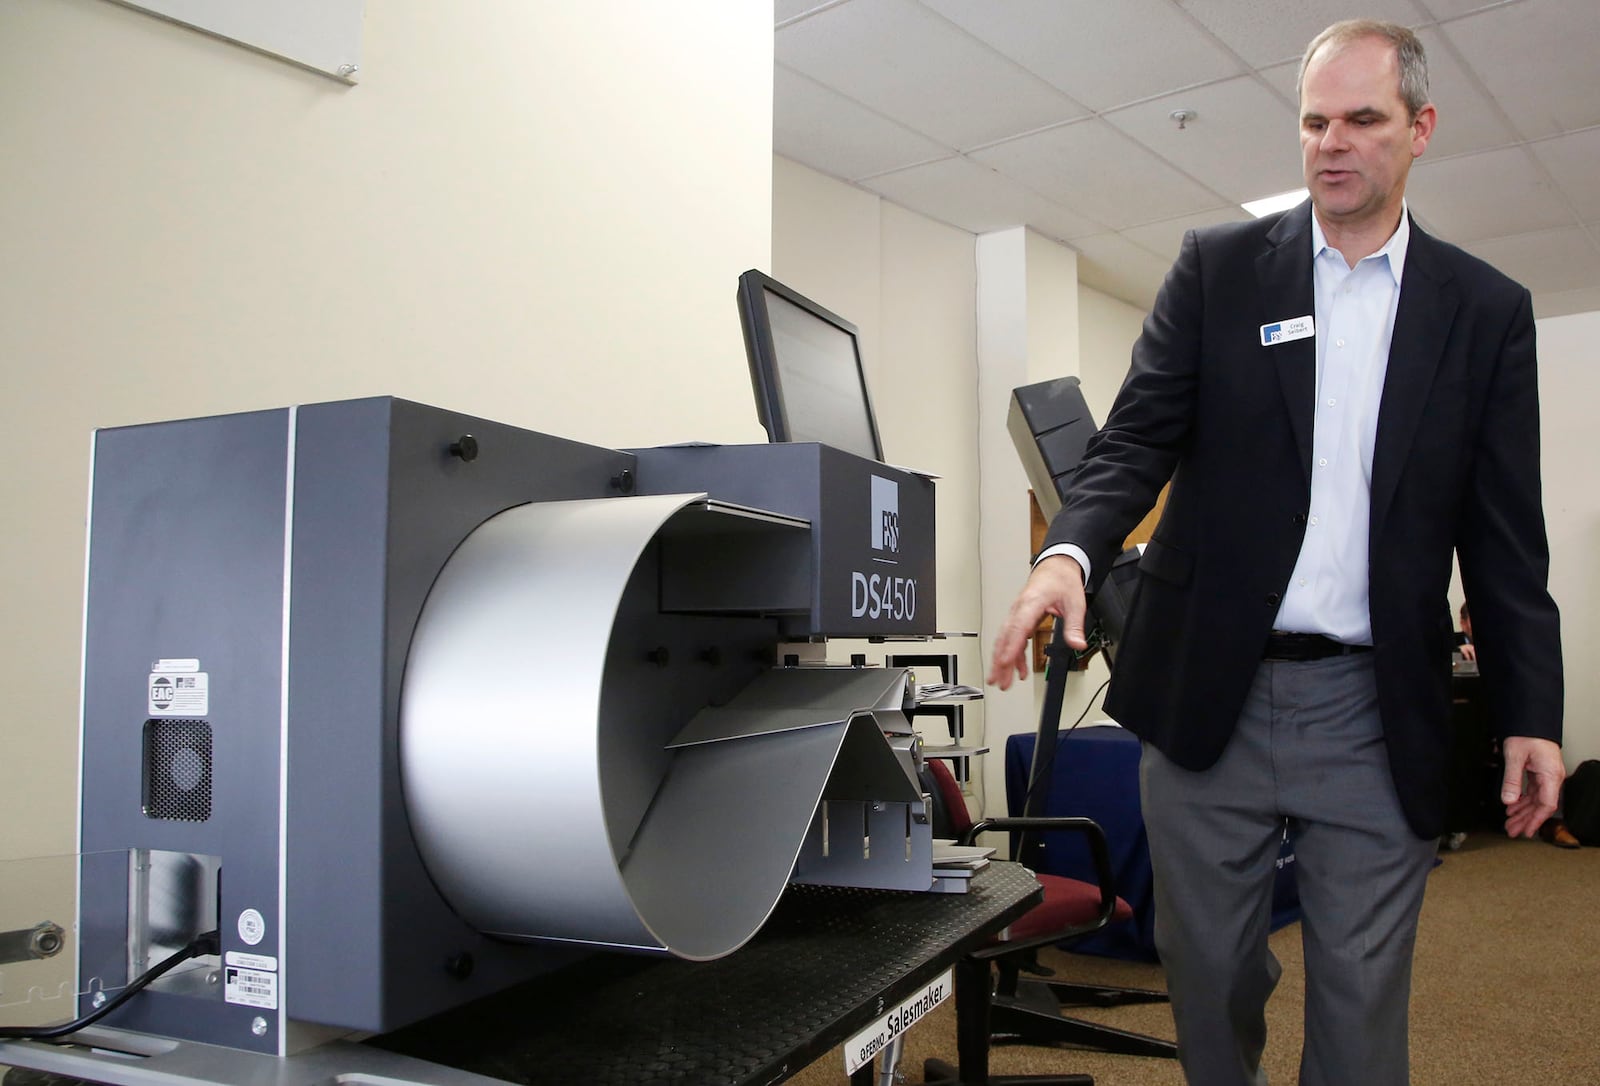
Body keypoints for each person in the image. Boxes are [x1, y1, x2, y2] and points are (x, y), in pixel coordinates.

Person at [987, 19, 1565, 1086]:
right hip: (1212, 685)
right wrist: (1067, 554)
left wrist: (1532, 710)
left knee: (1359, 990)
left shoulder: (1484, 312)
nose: (1329, 142)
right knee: (1207, 971)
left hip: (1372, 701)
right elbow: (1133, 444)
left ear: (1419, 129)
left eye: (1360, 119)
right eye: (1311, 121)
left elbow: (1501, 534)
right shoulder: (1218, 272)